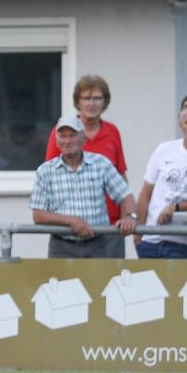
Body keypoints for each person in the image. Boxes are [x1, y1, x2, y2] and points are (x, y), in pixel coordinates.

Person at [45, 75, 127, 257]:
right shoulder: (62, 133)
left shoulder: (112, 132)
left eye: (97, 98)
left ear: (104, 102)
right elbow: (50, 177)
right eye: (86, 98)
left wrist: (126, 216)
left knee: (108, 282)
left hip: (110, 227)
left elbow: (121, 176)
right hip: (70, 232)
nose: (91, 104)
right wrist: (62, 220)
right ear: (78, 102)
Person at [31, 116, 137, 258]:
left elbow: (125, 195)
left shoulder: (101, 164)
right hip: (61, 247)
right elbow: (38, 215)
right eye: (62, 136)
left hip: (98, 244)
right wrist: (71, 221)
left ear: (83, 139)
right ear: (56, 142)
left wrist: (128, 216)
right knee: (61, 281)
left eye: (72, 135)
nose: (67, 141)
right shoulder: (45, 171)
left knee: (100, 281)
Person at [135, 96, 187, 258]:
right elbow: (145, 194)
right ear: (180, 124)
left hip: (184, 243)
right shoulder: (164, 149)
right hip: (150, 239)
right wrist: (139, 234)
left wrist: (177, 207)